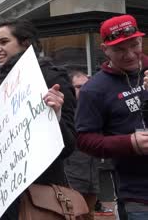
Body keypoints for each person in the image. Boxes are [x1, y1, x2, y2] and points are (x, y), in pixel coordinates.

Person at [0, 18, 77, 219]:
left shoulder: (51, 78)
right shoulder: (2, 83)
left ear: (26, 43)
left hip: (35, 198)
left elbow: (68, 146)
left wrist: (56, 115)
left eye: (4, 42)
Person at [77, 14, 148, 220]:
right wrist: (129, 143)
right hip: (139, 196)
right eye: (119, 49)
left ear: (141, 39)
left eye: (134, 45)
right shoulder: (94, 90)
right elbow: (84, 140)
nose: (129, 55)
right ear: (104, 49)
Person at [63, 71, 99, 220]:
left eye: (86, 86)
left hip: (93, 178)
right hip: (72, 178)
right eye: (79, 87)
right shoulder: (66, 113)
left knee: (89, 215)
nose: (84, 91)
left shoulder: (94, 110)